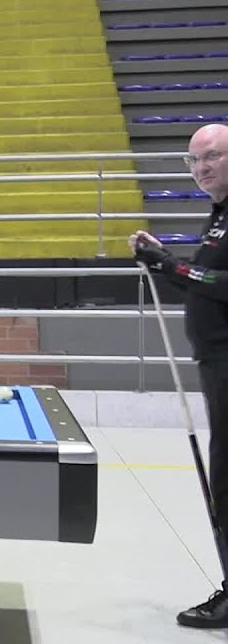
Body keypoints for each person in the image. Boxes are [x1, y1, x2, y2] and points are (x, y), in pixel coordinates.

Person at [131, 122, 228, 629]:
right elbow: (204, 286)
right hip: (215, 363)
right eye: (194, 159)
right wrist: (160, 263)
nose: (201, 167)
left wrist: (171, 265)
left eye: (212, 156)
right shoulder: (218, 218)